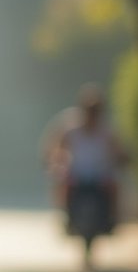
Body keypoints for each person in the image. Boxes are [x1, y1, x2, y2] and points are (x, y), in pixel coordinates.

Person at [42, 84, 131, 229]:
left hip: (101, 173)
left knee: (115, 187)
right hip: (77, 172)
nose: (92, 115)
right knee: (62, 184)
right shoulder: (70, 126)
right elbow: (55, 145)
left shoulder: (107, 130)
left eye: (96, 111)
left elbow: (119, 149)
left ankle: (114, 218)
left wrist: (123, 159)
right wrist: (54, 161)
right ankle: (66, 215)